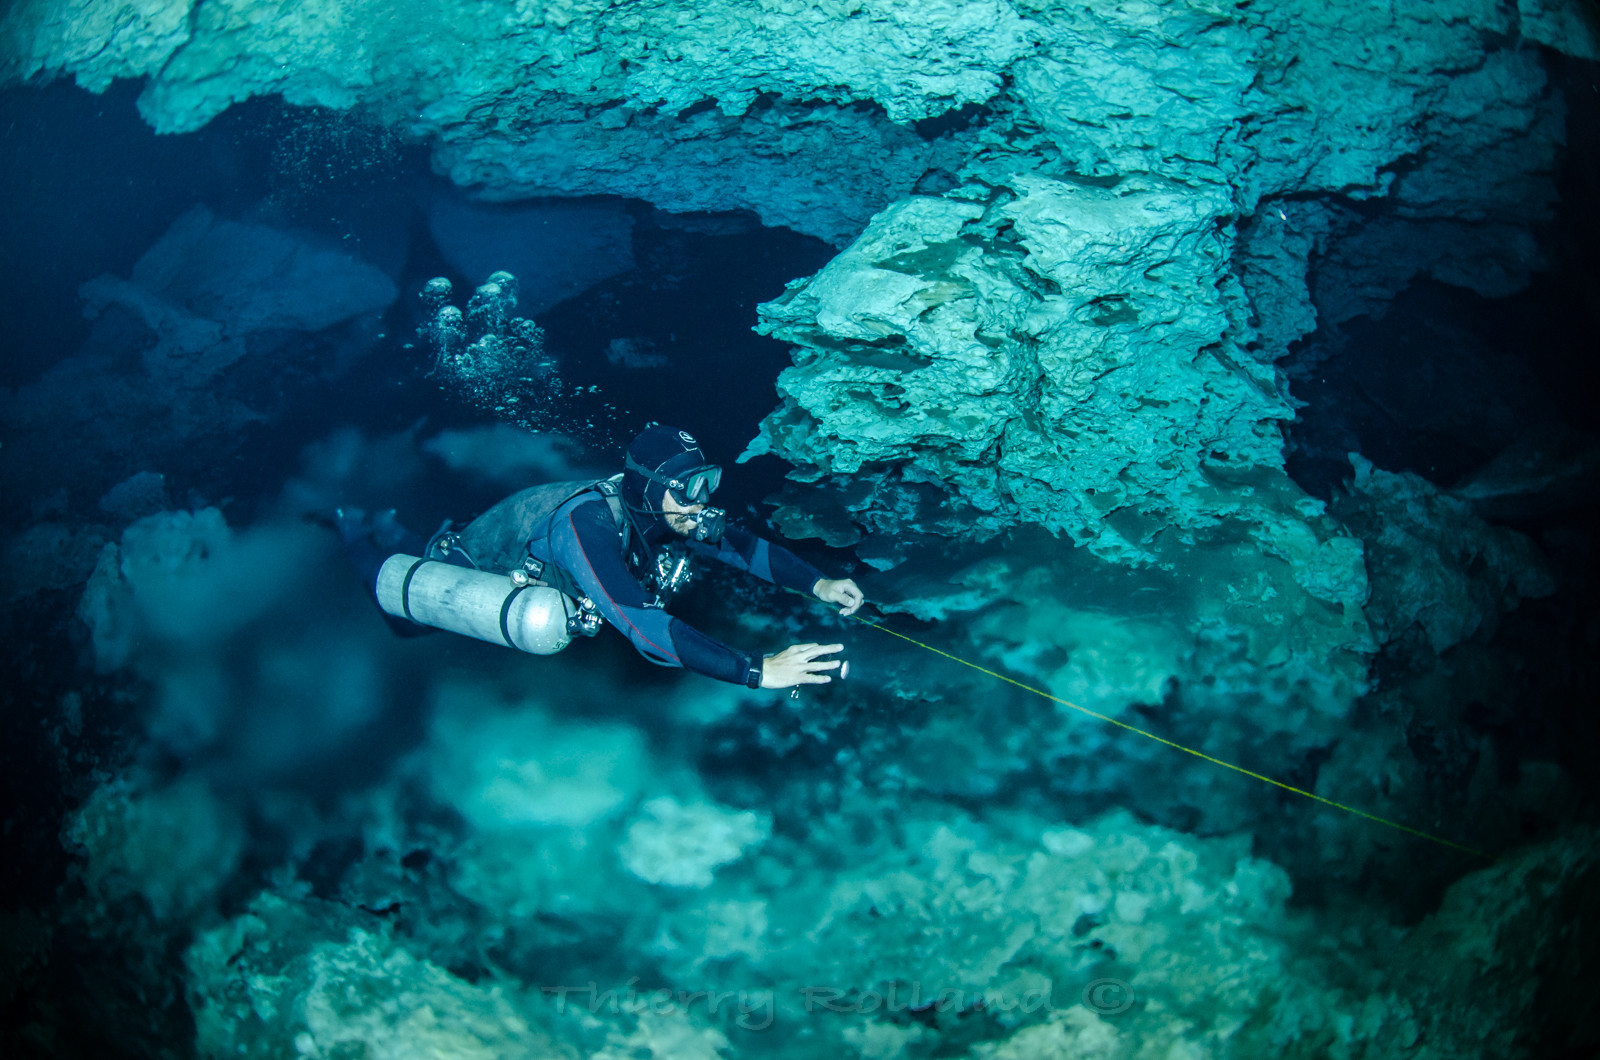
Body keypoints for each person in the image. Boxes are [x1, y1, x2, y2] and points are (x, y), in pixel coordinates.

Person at [339, 426, 863, 690]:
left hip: (504, 548)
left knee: (416, 547)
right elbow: (641, 624)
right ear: (648, 487)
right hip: (470, 567)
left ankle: (384, 525)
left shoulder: (663, 509)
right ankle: (350, 530)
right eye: (688, 489)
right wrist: (758, 670)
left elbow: (744, 549)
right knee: (405, 620)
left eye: (708, 484)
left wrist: (818, 584)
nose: (701, 502)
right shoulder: (584, 525)